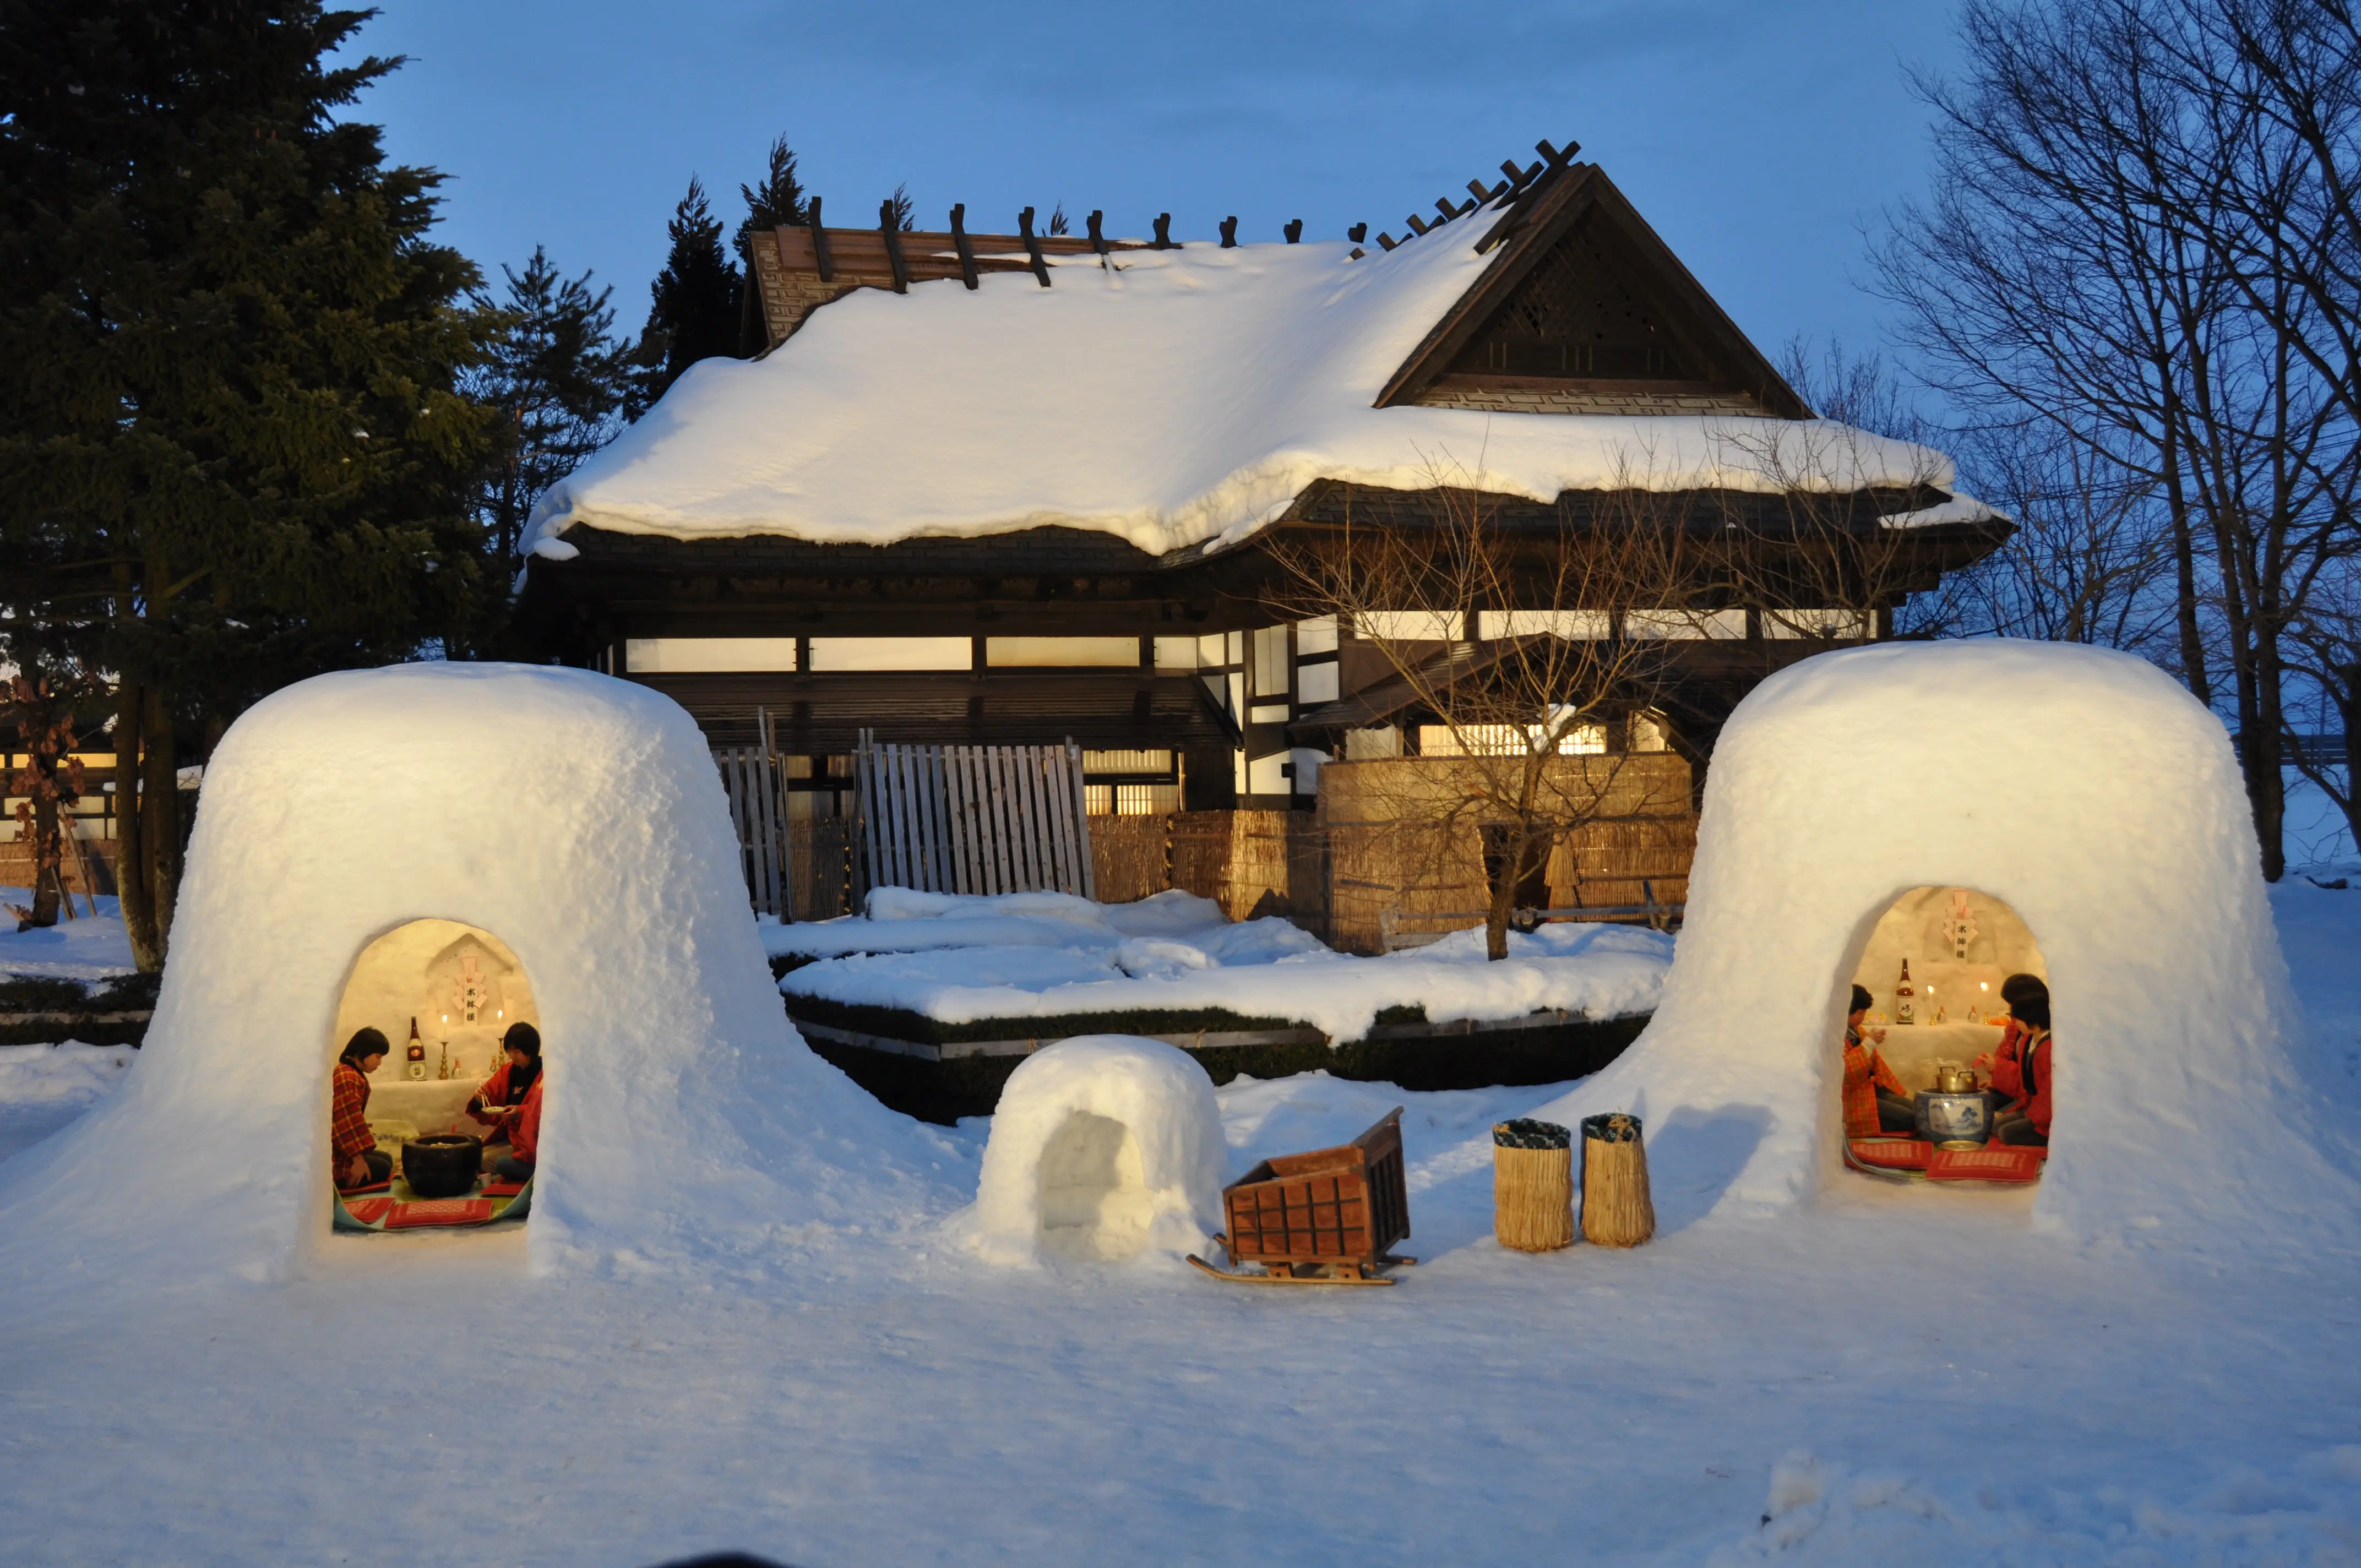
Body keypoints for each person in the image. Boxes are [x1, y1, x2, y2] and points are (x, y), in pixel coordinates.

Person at [1978, 974, 2053, 1147]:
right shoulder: (2028, 1039)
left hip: (2043, 1112)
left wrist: (2033, 1117)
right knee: (1995, 1124)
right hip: (2027, 1101)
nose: (2013, 1022)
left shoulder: (2047, 1048)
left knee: (2005, 1131)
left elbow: (2047, 1091)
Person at [467, 1021, 543, 1182]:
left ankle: (525, 1174)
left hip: (534, 1142)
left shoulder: (545, 1073)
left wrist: (519, 1112)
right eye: (509, 1050)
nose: (512, 1055)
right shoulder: (508, 1071)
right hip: (511, 1137)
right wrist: (479, 1098)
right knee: (475, 1155)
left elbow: (545, 1109)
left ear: (530, 1050)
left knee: (484, 1160)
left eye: (517, 1051)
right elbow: (490, 1094)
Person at [1842, 983, 1917, 1137]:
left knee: (1918, 1110)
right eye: (1861, 1013)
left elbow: (1876, 1063)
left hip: (1872, 1089)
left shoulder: (1856, 1030)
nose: (1863, 1018)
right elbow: (1846, 1073)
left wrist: (1887, 1083)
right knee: (1910, 1119)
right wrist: (1869, 1044)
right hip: (1854, 1099)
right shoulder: (1834, 1036)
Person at [332, 1028, 394, 1190]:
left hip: (344, 1148)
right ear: (363, 1052)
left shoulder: (351, 1073)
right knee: (383, 1168)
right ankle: (340, 1180)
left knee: (386, 1159)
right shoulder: (346, 1076)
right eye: (378, 1056)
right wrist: (358, 1160)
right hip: (335, 1156)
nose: (379, 1063)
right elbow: (345, 1122)